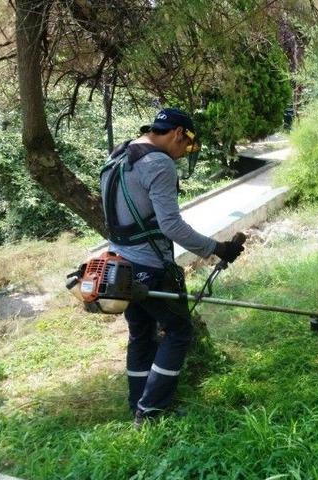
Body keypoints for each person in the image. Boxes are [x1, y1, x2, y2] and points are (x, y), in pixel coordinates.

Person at [99, 107, 244, 425]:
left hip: (118, 266)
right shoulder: (158, 163)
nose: (182, 155)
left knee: (141, 333)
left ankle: (137, 403)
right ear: (179, 133)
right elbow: (171, 226)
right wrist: (217, 248)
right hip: (149, 267)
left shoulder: (118, 154)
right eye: (186, 147)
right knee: (178, 331)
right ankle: (151, 411)